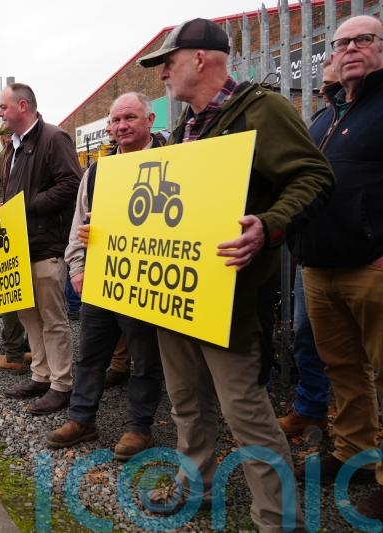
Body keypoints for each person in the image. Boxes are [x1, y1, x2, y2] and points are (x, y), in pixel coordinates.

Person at [136, 17, 334, 530]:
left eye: (168, 63)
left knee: (244, 410)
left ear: (199, 58)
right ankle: (196, 485)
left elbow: (313, 175)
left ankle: (277, 518)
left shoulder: (261, 110)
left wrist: (267, 226)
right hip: (176, 292)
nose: (162, 76)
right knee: (184, 400)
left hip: (231, 295)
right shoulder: (184, 129)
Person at [297, 15, 383, 518]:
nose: (350, 49)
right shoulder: (324, 118)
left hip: (370, 267)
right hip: (320, 266)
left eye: (363, 40)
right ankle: (353, 453)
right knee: (343, 370)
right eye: (341, 42)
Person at [46, 92, 164, 460]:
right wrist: (78, 268)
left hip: (146, 278)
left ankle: (139, 427)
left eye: (129, 118)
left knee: (145, 358)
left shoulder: (172, 162)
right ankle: (82, 418)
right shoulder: (97, 171)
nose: (120, 126)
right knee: (91, 353)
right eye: (114, 121)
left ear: (149, 119)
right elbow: (80, 222)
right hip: (101, 277)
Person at [0, 83, 82, 415]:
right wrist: (1, 206)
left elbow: (72, 184)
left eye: (3, 106)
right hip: (18, 247)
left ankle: (62, 385)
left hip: (45, 246)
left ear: (22, 106)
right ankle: (41, 375)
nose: (0, 112)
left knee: (53, 319)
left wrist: (24, 206)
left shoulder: (54, 139)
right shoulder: (12, 149)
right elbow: (15, 193)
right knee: (29, 317)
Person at [276, 58, 340, 437]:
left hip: (368, 257)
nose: (339, 57)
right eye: (334, 51)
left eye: (360, 42)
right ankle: (312, 408)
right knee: (308, 338)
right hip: (314, 253)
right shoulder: (319, 121)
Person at [0, 123, 32, 374]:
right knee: (16, 289)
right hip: (16, 228)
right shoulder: (8, 158)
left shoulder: (6, 158)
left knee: (11, 290)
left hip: (12, 228)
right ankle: (24, 350)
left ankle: (15, 352)